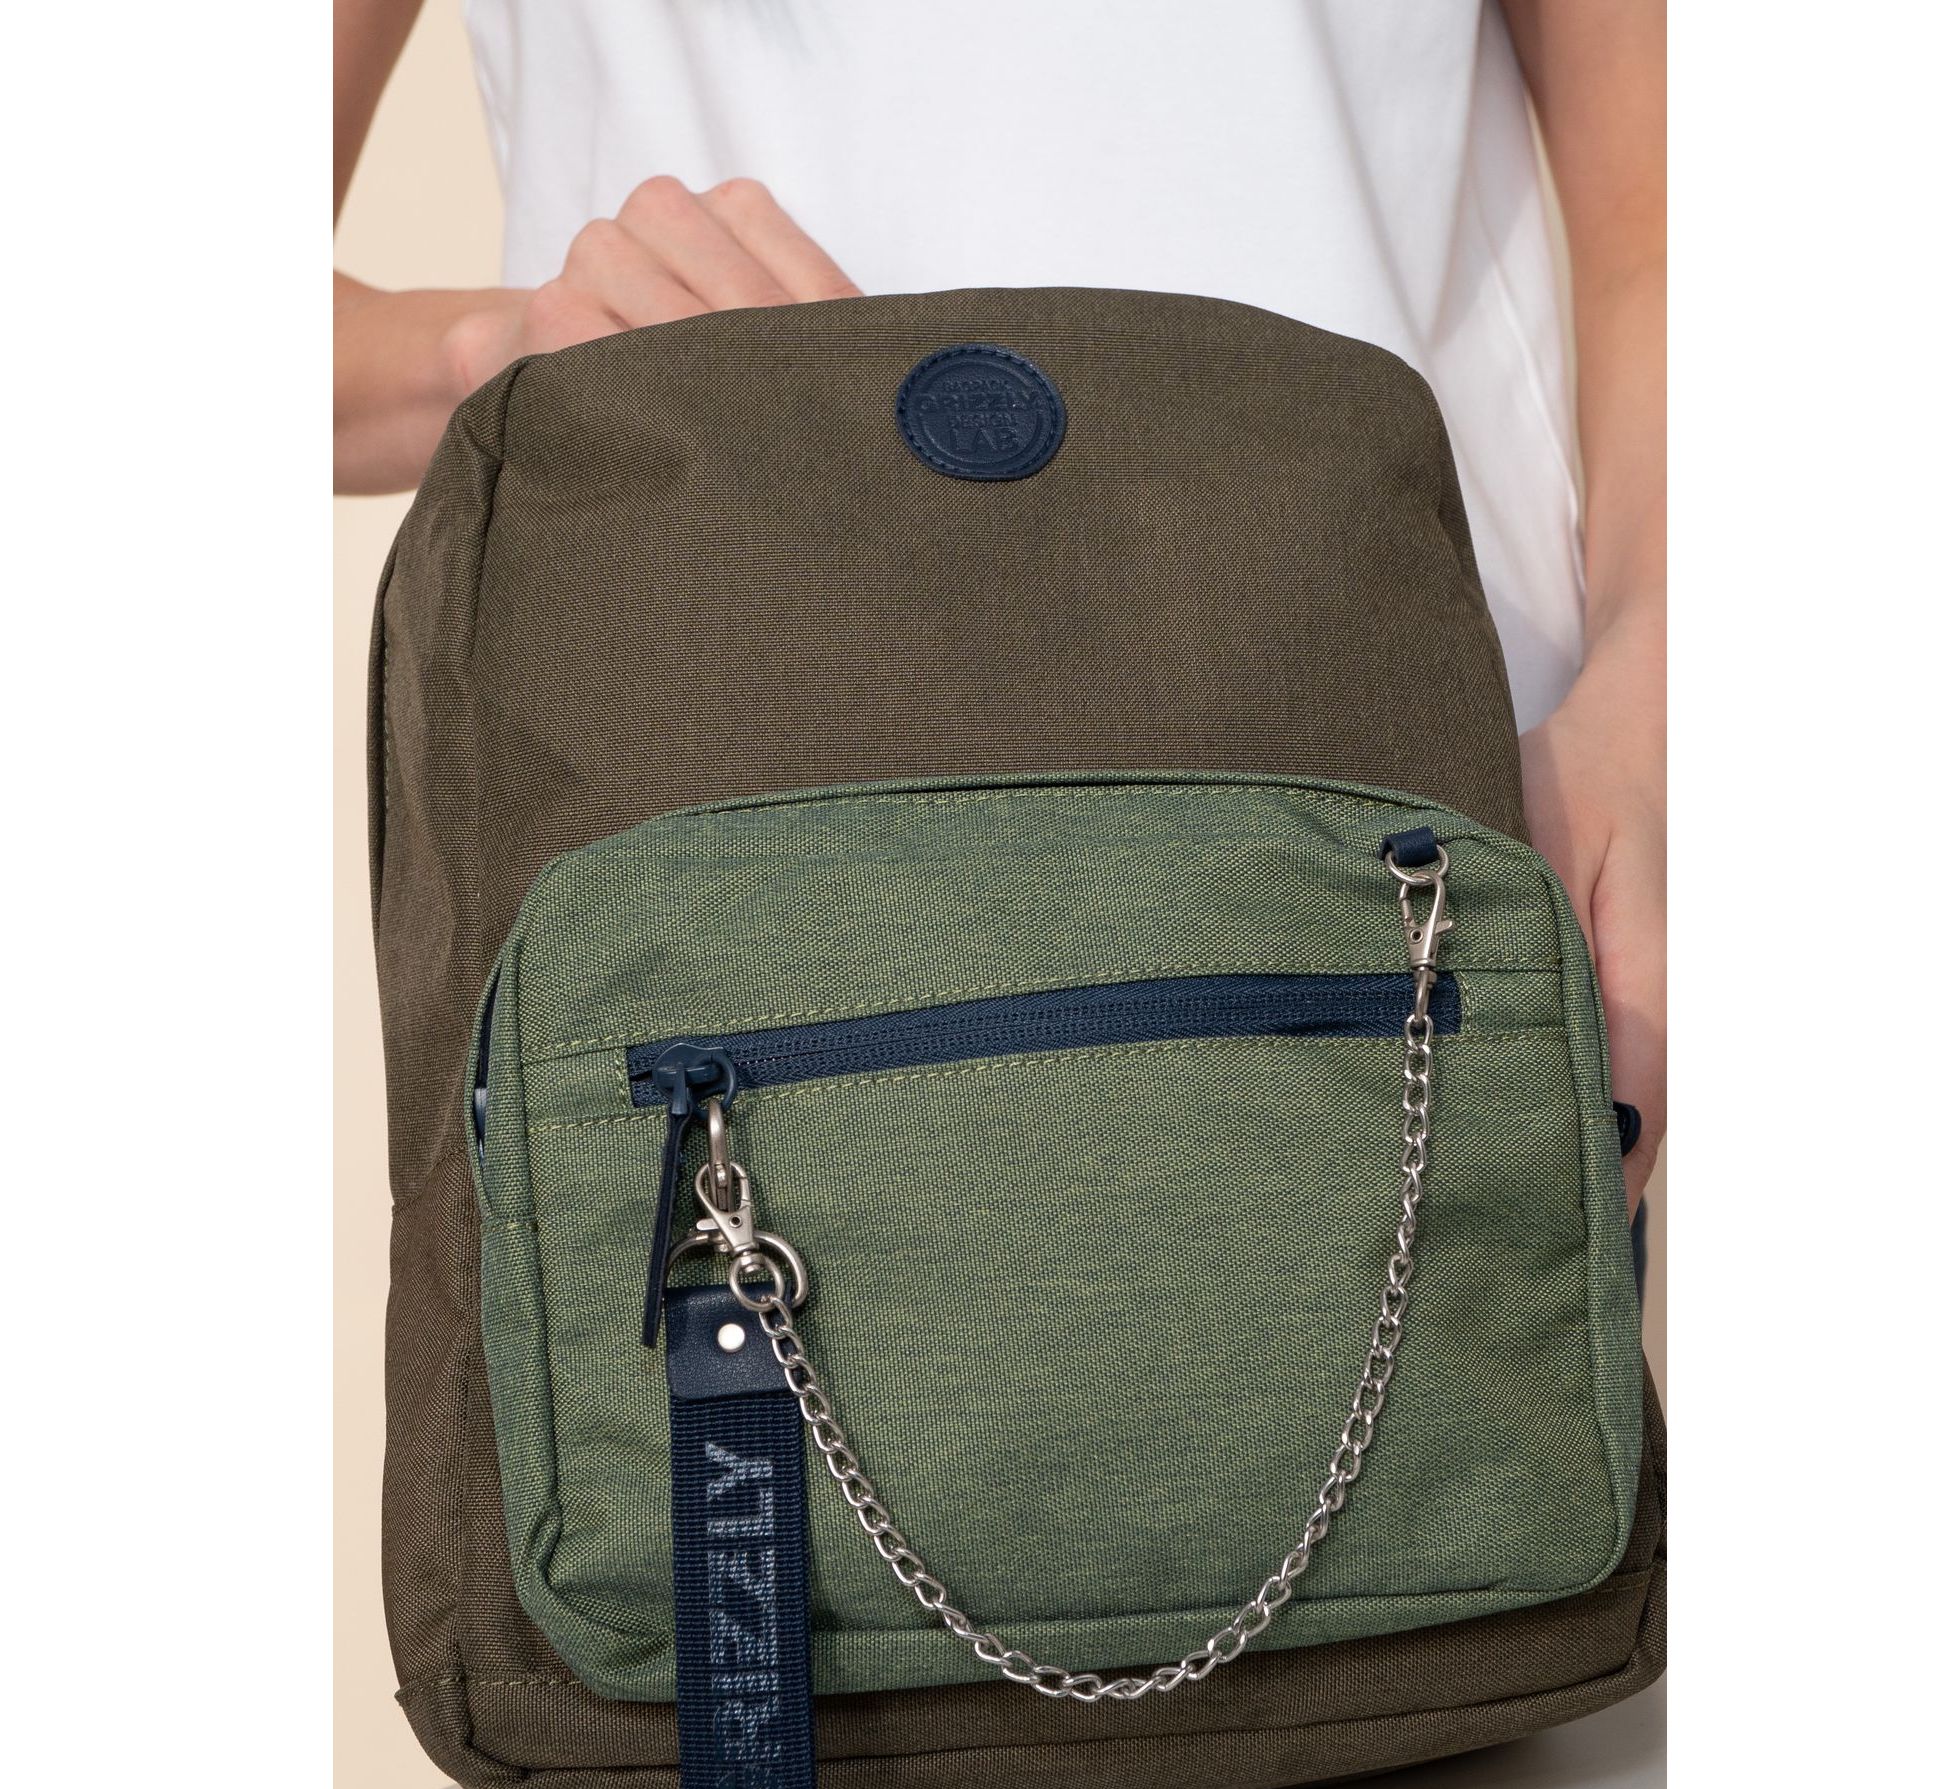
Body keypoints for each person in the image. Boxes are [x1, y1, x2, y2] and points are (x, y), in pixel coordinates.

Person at [335, 0, 1664, 1210]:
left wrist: (1643, 718)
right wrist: (488, 354)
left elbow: (1666, 225)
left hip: (1394, 849)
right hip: (711, 793)